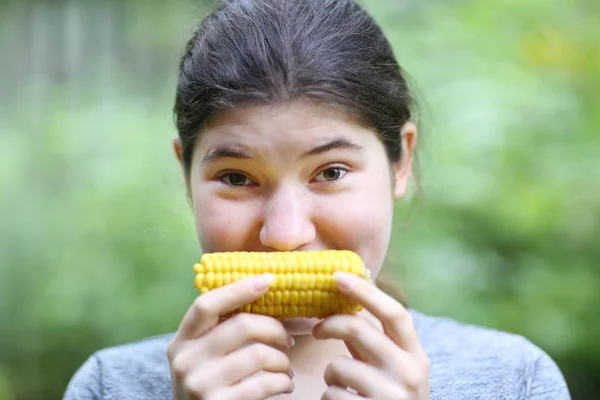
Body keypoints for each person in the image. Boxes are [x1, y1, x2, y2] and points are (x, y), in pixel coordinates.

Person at [63, 0, 572, 398]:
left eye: (330, 171)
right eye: (237, 178)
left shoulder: (515, 381)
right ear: (185, 174)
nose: (285, 235)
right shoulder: (108, 386)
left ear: (401, 163)